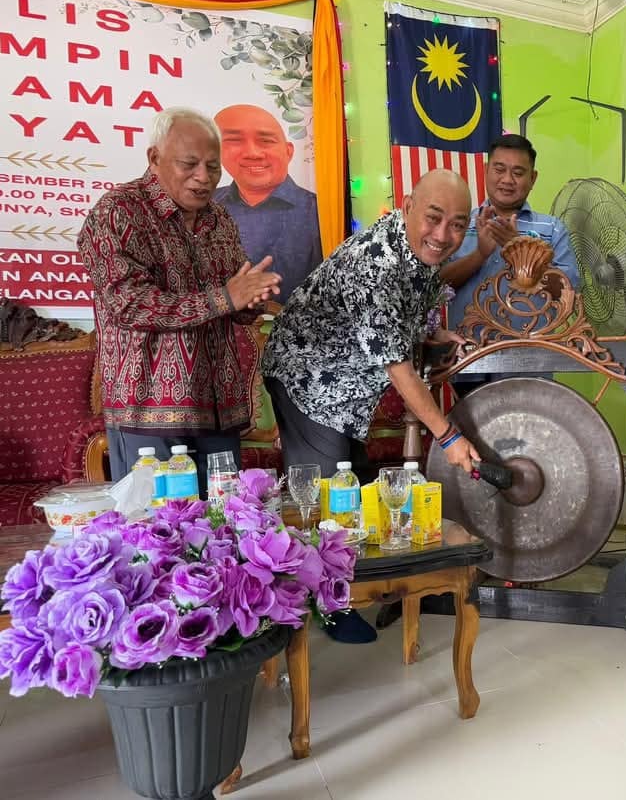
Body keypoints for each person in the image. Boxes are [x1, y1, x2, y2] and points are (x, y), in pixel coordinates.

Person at [261, 169, 482, 643]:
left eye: (458, 224)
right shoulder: (375, 263)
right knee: (328, 493)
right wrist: (449, 437)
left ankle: (360, 585)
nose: (443, 234)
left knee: (356, 488)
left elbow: (404, 313)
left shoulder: (418, 251)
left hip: (348, 381)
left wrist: (432, 332)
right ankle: (329, 604)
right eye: (434, 217)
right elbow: (398, 368)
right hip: (308, 376)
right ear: (408, 206)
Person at [78, 107, 281, 491]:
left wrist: (250, 298)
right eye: (189, 164)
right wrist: (225, 298)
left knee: (226, 520)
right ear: (155, 158)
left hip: (219, 411)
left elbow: (233, 301)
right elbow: (129, 303)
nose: (203, 177)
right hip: (148, 414)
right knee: (154, 524)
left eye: (213, 167)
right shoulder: (117, 212)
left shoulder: (219, 219)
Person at [440, 134, 580, 390]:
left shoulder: (552, 229)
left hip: (530, 357)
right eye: (499, 169)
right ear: (486, 170)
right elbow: (438, 287)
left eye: (518, 172)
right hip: (468, 357)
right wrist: (480, 255)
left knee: (532, 417)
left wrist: (520, 251)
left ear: (532, 178)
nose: (507, 180)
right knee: (472, 417)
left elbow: (567, 293)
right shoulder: (459, 224)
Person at [213, 104, 322, 303]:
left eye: (265, 141)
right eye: (234, 141)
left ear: (288, 151)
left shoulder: (321, 213)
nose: (253, 153)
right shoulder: (199, 209)